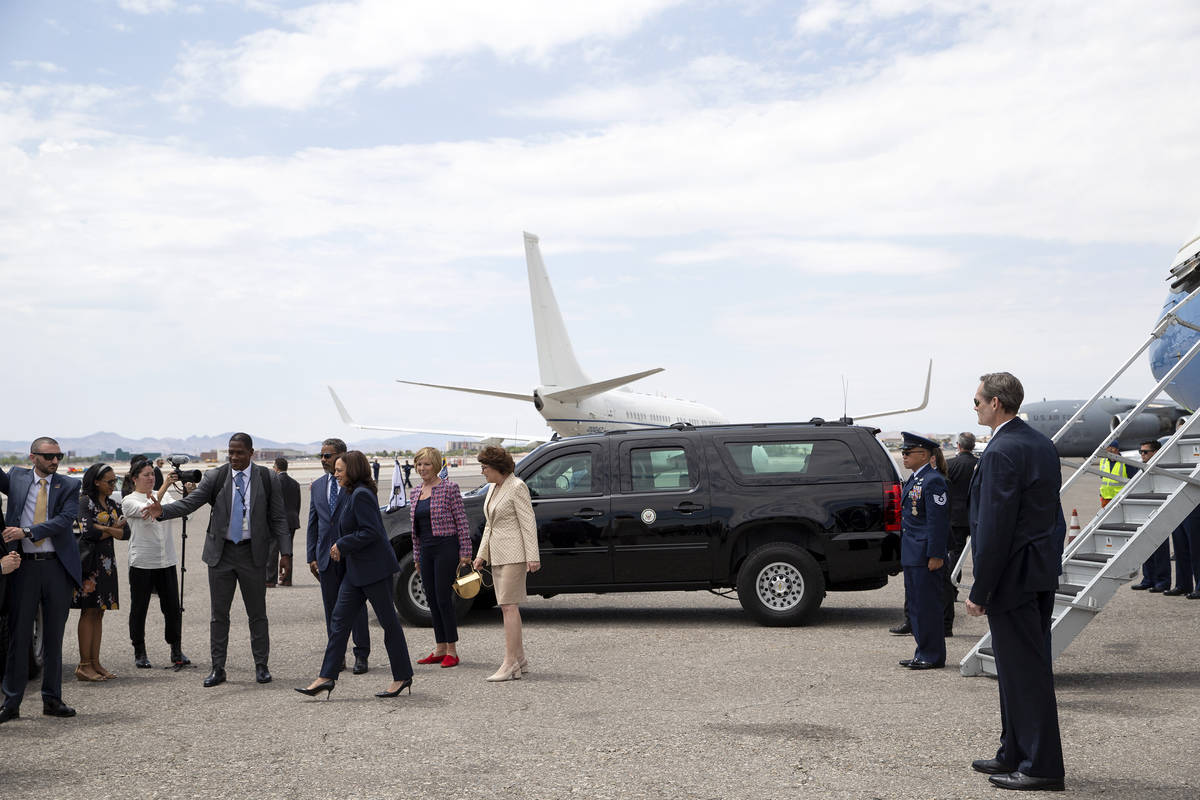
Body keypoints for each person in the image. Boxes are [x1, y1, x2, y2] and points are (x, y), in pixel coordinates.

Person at [967, 373, 1066, 792]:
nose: (974, 408)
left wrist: (979, 588)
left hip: (1014, 574)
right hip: (1038, 569)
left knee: (1024, 672)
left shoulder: (1002, 450)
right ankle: (1014, 750)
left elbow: (995, 526)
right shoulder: (1039, 443)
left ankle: (1040, 765)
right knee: (1015, 668)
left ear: (995, 404)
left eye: (977, 401)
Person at [142, 433, 288, 688]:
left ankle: (261, 666)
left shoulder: (267, 478)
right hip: (221, 555)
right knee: (219, 615)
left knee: (257, 614)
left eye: (239, 452)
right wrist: (163, 511)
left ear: (251, 453)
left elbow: (278, 518)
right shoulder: (216, 477)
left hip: (252, 555)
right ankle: (218, 668)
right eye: (230, 452)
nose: (234, 457)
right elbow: (190, 503)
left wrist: (286, 553)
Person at [296, 450, 413, 699]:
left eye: (340, 470)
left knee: (389, 624)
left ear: (353, 470)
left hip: (374, 570)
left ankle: (402, 676)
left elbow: (371, 532)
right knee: (339, 623)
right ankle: (326, 677)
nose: (335, 474)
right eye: (335, 470)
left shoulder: (361, 495)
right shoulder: (350, 493)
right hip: (356, 571)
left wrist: (342, 545)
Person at [0, 436, 83, 723]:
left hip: (56, 569)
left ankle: (52, 699)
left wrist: (26, 532)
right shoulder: (16, 478)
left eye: (59, 456)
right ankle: (11, 703)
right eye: (49, 456)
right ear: (33, 457)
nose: (55, 461)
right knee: (18, 637)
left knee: (53, 639)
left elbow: (64, 521)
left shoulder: (70, 485)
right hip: (23, 568)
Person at [472, 445, 540, 682]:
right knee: (506, 607)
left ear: (496, 467)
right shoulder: (493, 488)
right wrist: (481, 555)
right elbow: (490, 524)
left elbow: (527, 523)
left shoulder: (517, 487)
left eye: (484, 467)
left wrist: (533, 556)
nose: (482, 471)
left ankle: (510, 663)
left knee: (508, 607)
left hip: (514, 555)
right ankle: (520, 659)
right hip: (497, 555)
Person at [307, 438, 370, 675]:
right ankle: (337, 657)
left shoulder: (353, 486)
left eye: (328, 455)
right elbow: (314, 522)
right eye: (321, 456)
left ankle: (361, 654)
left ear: (343, 456)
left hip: (351, 556)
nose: (324, 460)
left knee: (357, 608)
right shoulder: (318, 486)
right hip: (325, 558)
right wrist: (311, 555)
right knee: (331, 609)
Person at [122, 457, 189, 669]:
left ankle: (176, 649)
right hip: (142, 561)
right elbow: (148, 510)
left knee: (172, 608)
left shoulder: (167, 495)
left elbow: (180, 508)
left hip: (166, 560)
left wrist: (190, 490)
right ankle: (139, 650)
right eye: (146, 475)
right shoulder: (129, 500)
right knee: (139, 608)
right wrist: (165, 484)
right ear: (135, 479)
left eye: (152, 474)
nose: (151, 478)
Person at [409, 446, 472, 669]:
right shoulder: (415, 492)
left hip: (446, 546)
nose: (422, 468)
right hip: (426, 549)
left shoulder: (449, 488)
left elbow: (462, 522)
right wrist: (417, 556)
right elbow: (415, 529)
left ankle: (452, 650)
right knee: (431, 598)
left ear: (436, 465)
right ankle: (439, 648)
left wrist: (465, 551)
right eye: (419, 464)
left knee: (443, 598)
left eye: (426, 464)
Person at [896, 433, 949, 671]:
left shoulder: (933, 480)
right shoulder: (914, 479)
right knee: (916, 606)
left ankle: (933, 654)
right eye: (904, 452)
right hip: (912, 552)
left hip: (925, 554)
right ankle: (923, 651)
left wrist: (936, 554)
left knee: (928, 606)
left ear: (925, 455)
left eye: (908, 453)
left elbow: (938, 522)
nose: (904, 457)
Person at [71, 463, 128, 682]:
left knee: (100, 611)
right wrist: (112, 529)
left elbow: (126, 533)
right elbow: (88, 532)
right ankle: (83, 665)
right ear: (97, 482)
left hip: (107, 565)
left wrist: (104, 528)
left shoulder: (113, 503)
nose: (114, 485)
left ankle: (95, 663)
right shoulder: (85, 502)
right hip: (89, 565)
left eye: (116, 481)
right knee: (88, 611)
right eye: (110, 481)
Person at [1129, 440, 1172, 592]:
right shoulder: (1141, 467)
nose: (1142, 454)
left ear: (1155, 452)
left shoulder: (1162, 467)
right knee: (1145, 547)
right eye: (1141, 452)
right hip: (1145, 510)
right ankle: (1148, 579)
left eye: (1145, 452)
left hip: (1159, 511)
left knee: (1160, 547)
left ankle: (1163, 581)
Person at [270, 457, 300, 587]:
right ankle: (287, 579)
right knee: (288, 551)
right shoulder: (295, 483)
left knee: (272, 549)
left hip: (277, 520)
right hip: (292, 520)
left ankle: (270, 579)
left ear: (276, 467)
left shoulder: (274, 482)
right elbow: (297, 504)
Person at [1098, 440, 1127, 508]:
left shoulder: (1125, 463)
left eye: (1112, 447)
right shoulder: (1103, 461)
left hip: (1119, 499)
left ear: (1117, 450)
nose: (1110, 450)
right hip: (1105, 499)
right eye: (1108, 447)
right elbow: (1103, 479)